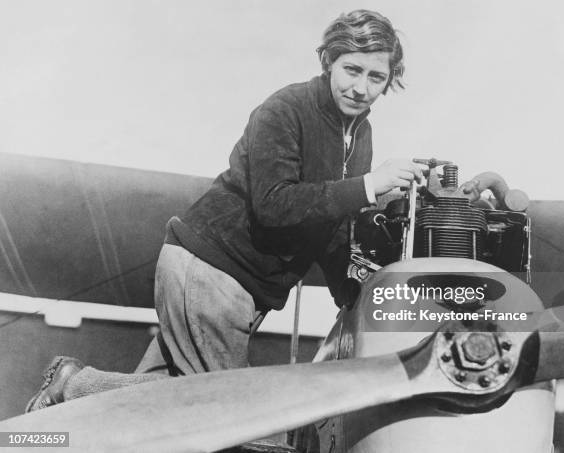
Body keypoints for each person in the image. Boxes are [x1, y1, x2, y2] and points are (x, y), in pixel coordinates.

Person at [26, 9, 422, 412]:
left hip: (234, 286)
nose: (361, 88)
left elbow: (330, 225)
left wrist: (354, 297)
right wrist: (369, 186)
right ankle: (74, 386)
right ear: (328, 62)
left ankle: (69, 400)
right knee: (223, 409)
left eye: (376, 77)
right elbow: (274, 205)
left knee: (159, 411)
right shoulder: (286, 109)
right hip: (212, 271)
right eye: (351, 70)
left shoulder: (360, 134)